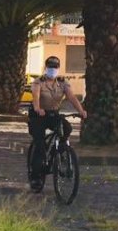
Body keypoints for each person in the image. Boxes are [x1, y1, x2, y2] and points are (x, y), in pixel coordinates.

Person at [28, 56, 87, 192]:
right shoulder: (38, 82)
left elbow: (71, 97)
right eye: (50, 67)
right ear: (45, 68)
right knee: (40, 145)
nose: (52, 70)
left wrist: (81, 111)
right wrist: (37, 108)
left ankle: (61, 150)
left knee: (67, 128)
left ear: (58, 69)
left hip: (53, 114)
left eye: (55, 67)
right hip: (38, 116)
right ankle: (36, 176)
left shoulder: (62, 83)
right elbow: (35, 96)